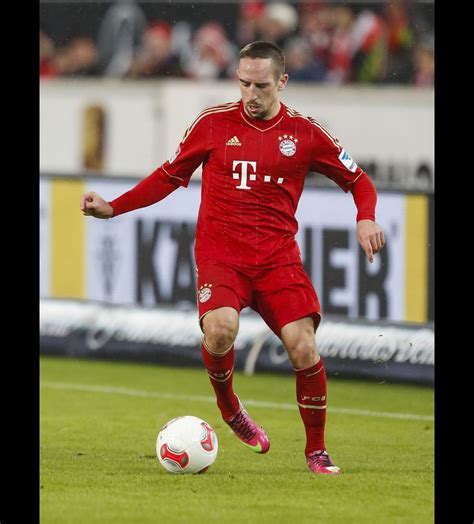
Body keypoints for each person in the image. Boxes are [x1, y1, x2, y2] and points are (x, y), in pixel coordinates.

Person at [80, 41, 385, 475]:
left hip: (278, 259)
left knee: (304, 347)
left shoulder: (306, 133)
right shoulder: (213, 124)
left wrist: (366, 219)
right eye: (243, 83)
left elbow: (359, 181)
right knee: (221, 330)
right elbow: (168, 176)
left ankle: (315, 450)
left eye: (261, 85)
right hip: (222, 254)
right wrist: (113, 207)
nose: (251, 94)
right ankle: (230, 409)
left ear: (282, 81)